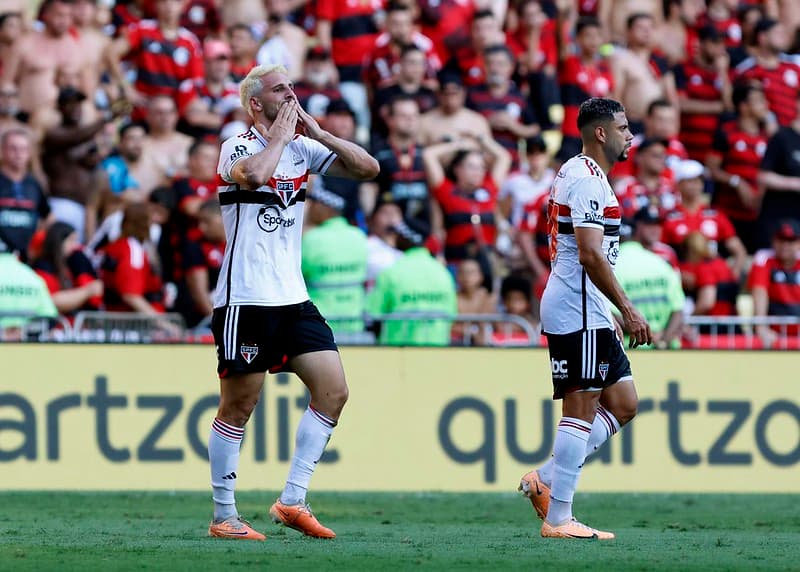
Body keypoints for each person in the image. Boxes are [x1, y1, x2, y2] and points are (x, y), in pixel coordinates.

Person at [208, 64, 379, 541]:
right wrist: (280, 139)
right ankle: (224, 515)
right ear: (256, 103)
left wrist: (321, 133)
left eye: (291, 86)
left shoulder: (305, 147)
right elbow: (256, 174)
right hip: (246, 298)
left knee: (334, 390)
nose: (292, 93)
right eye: (280, 89)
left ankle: (292, 499)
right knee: (239, 406)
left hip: (292, 296)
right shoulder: (236, 147)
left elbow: (368, 169)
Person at [518, 97, 651, 540]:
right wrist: (626, 309)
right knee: (581, 407)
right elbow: (591, 253)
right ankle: (558, 517)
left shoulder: (585, 174)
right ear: (601, 133)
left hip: (586, 304)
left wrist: (606, 309)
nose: (630, 135)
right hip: (576, 306)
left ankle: (545, 477)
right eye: (624, 127)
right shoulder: (587, 180)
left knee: (624, 403)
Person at [367, 220, 457, 346]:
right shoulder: (443, 273)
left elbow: (373, 313)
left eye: (398, 235)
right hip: (438, 350)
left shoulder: (392, 273)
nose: (394, 238)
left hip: (397, 353)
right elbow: (451, 313)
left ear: (405, 238)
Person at [302, 186, 368, 334]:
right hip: (354, 323)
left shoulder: (312, 239)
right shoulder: (359, 236)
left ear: (325, 206)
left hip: (320, 325)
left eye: (314, 203)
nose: (310, 208)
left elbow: (296, 276)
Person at [614, 212, 685, 349]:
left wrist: (646, 334)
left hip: (631, 348)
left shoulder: (610, 268)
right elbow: (678, 309)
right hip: (665, 347)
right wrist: (663, 340)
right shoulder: (663, 264)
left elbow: (610, 312)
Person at [32, 221, 103, 316]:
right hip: (53, 326)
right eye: (71, 240)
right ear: (58, 241)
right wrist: (88, 291)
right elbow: (53, 300)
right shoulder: (43, 266)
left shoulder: (71, 263)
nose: (75, 245)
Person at [748, 219, 800, 348]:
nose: (785, 245)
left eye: (790, 241)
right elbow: (759, 292)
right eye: (781, 240)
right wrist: (761, 327)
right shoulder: (764, 258)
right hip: (773, 334)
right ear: (773, 241)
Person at [0, 128, 51, 261]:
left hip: (27, 257)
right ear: (2, 150)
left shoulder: (34, 184)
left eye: (23, 149)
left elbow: (48, 216)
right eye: (13, 148)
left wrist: (37, 242)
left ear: (29, 153)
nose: (18, 154)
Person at [0, 237, 57, 335]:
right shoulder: (33, 277)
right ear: (16, 253)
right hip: (26, 343)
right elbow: (49, 317)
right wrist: (21, 332)